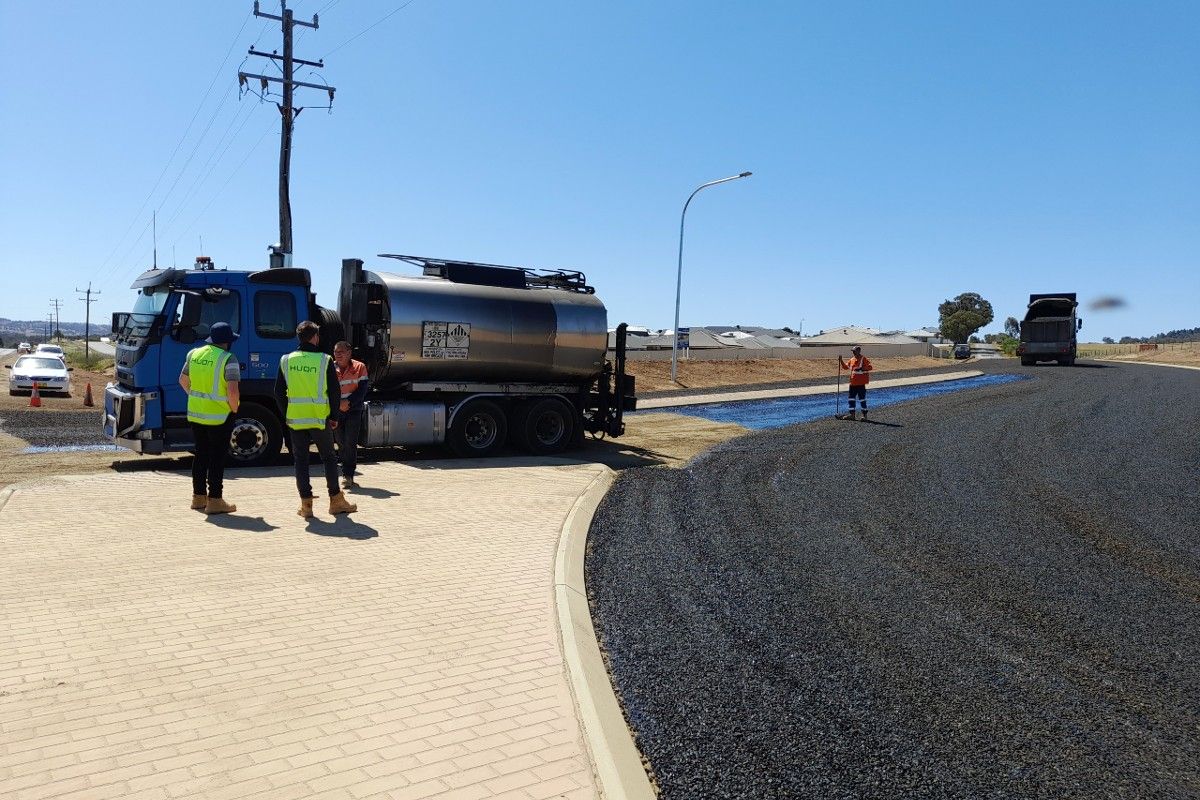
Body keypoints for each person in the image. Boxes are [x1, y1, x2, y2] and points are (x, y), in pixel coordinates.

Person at [275, 321, 358, 518]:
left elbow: (278, 392)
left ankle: (306, 506)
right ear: (315, 337)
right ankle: (336, 501)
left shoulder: (286, 360)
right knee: (329, 458)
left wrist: (288, 414)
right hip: (320, 419)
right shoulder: (324, 360)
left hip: (296, 420)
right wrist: (334, 416)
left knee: (300, 460)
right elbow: (334, 391)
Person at [179, 321, 240, 514]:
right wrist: (234, 408)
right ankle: (215, 500)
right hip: (219, 417)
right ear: (228, 341)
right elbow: (232, 391)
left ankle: (198, 498)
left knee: (201, 455)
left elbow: (182, 380)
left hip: (196, 414)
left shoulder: (194, 354)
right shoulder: (228, 359)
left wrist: (195, 397)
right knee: (216, 458)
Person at [332, 340, 369, 489]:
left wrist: (348, 402)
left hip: (353, 410)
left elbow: (363, 389)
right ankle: (345, 473)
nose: (338, 355)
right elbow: (326, 389)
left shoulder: (360, 367)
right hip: (336, 411)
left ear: (349, 353)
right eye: (336, 352)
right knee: (340, 442)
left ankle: (348, 476)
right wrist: (338, 404)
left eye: (341, 352)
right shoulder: (329, 368)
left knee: (350, 443)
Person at [838, 345, 874, 421]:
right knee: (851, 399)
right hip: (852, 384)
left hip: (861, 384)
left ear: (858, 351)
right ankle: (852, 415)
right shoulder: (852, 359)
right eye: (853, 351)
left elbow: (870, 367)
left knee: (862, 399)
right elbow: (845, 367)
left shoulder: (863, 359)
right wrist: (841, 360)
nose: (853, 353)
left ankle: (864, 416)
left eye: (854, 351)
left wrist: (862, 368)